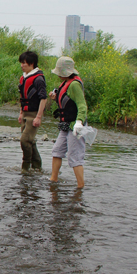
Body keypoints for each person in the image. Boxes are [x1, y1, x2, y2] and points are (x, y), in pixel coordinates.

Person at [48, 57, 87, 188]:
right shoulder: (65, 83)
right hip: (65, 125)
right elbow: (67, 102)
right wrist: (55, 98)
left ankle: (80, 186)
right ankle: (53, 179)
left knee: (75, 156)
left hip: (75, 126)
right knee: (57, 150)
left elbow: (82, 106)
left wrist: (79, 122)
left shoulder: (74, 85)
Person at [17, 51, 47, 171]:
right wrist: (20, 113)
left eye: (24, 63)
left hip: (33, 114)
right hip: (25, 113)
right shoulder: (23, 78)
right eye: (21, 63)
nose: (22, 65)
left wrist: (38, 117)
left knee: (25, 141)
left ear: (31, 63)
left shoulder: (38, 79)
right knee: (30, 141)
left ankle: (25, 168)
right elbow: (22, 98)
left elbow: (43, 98)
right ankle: (37, 167)